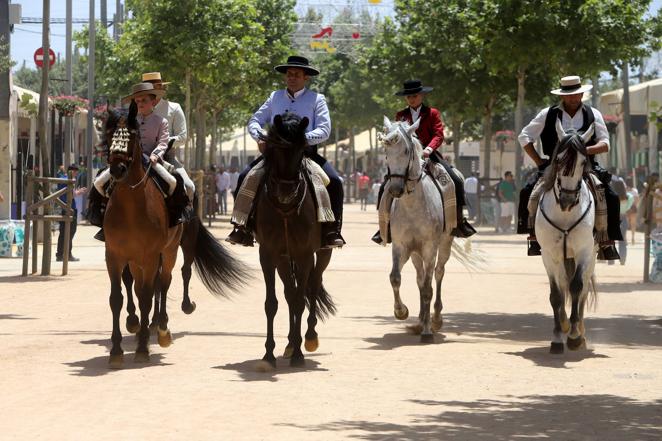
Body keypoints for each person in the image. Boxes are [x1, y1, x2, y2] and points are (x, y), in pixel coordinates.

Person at [226, 55, 345, 248]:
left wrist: (299, 140)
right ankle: (242, 227)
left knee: (335, 182)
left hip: (305, 154)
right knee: (244, 176)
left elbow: (324, 130)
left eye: (297, 74)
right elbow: (255, 121)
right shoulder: (274, 97)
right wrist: (261, 137)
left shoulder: (317, 99)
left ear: (306, 77)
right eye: (289, 74)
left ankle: (331, 230)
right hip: (275, 154)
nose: (292, 77)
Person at [517, 75, 622, 260]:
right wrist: (539, 161)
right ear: (562, 96)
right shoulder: (547, 114)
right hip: (554, 166)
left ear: (582, 94)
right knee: (528, 192)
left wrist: (581, 151)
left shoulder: (594, 114)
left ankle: (607, 241)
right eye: (569, 95)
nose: (574, 98)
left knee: (611, 197)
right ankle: (534, 237)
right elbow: (524, 137)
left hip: (586, 165)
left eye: (577, 94)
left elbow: (605, 143)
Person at [372, 79, 475, 244]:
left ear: (421, 95)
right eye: (408, 96)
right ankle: (385, 226)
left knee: (455, 180)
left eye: (414, 95)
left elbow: (438, 134)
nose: (411, 99)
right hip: (406, 159)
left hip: (429, 155)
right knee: (386, 186)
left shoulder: (433, 113)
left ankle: (458, 222)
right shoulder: (400, 115)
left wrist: (428, 149)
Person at [88, 82, 188, 240]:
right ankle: (102, 222)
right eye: (137, 101)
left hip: (153, 160)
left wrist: (156, 155)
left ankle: (174, 219)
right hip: (128, 160)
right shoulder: (127, 120)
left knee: (174, 182)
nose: (140, 104)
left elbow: (163, 142)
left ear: (153, 102)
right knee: (99, 183)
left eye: (144, 101)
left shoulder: (161, 122)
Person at [142, 72, 195, 202]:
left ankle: (184, 219)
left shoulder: (174, 108)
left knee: (189, 187)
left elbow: (182, 137)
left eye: (159, 86)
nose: (159, 88)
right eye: (154, 86)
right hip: (138, 156)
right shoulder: (136, 108)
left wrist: (163, 142)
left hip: (167, 157)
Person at [55, 164, 87, 262]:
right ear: (72, 171)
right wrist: (79, 192)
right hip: (69, 208)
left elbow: (66, 193)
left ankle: (60, 254)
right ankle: (67, 254)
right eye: (76, 172)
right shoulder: (68, 180)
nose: (76, 175)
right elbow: (70, 195)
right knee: (70, 232)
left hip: (64, 208)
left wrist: (76, 192)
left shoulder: (62, 179)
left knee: (63, 233)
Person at [611, 179, 633, 265]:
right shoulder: (629, 197)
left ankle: (611, 260)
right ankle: (622, 259)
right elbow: (628, 208)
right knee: (622, 240)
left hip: (613, 219)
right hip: (623, 218)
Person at [625, 178, 639, 244]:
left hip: (626, 209)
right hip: (633, 209)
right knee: (633, 224)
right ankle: (633, 238)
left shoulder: (624, 190)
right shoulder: (635, 190)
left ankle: (625, 239)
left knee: (626, 224)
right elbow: (637, 200)